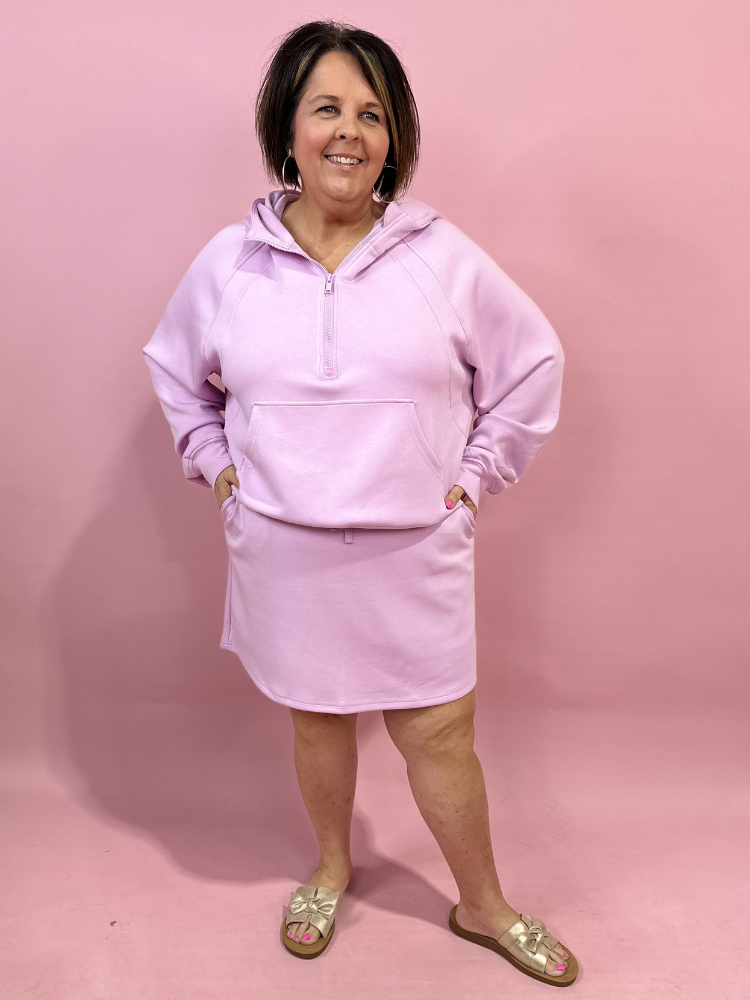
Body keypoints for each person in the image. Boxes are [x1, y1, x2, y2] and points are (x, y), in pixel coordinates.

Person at [143, 20, 577, 985]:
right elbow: (175, 373)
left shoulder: (440, 257)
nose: (350, 131)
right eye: (327, 108)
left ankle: (484, 903)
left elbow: (533, 362)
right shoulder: (231, 261)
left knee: (440, 735)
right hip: (283, 549)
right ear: (287, 128)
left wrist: (474, 477)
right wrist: (217, 465)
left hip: (413, 546)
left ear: (395, 139)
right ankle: (331, 867)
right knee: (316, 722)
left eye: (373, 114)